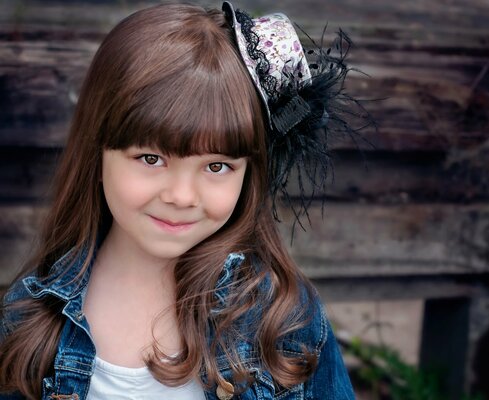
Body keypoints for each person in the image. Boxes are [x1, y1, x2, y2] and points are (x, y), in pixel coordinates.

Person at [0, 2, 372, 399]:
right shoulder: (30, 317)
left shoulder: (283, 317)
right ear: (97, 152)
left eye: (216, 167)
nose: (181, 196)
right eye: (151, 159)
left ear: (250, 170)